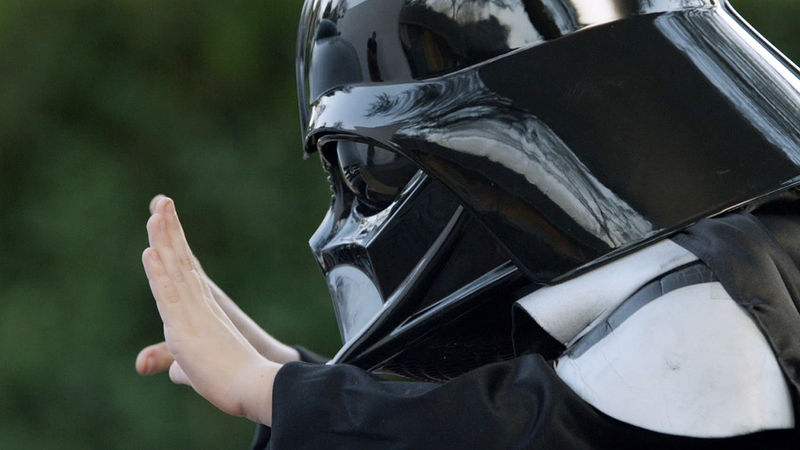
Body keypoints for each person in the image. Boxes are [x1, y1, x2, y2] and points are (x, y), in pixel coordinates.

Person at [137, 0, 800, 448]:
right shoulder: (753, 257)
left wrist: (275, 390)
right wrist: (287, 375)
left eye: (366, 166)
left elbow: (529, 430)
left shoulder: (708, 311)